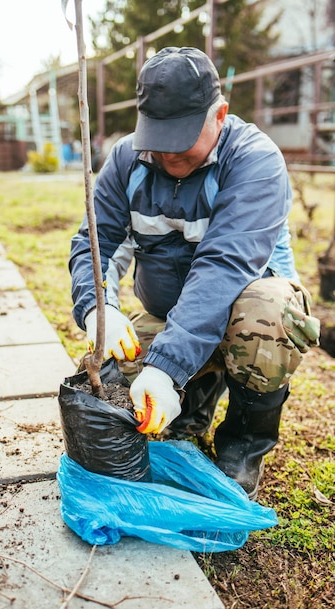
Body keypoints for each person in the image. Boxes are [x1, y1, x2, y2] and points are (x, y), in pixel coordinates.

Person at [69, 47, 320, 500]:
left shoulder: (254, 161)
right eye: (157, 137)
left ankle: (243, 445)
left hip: (246, 321)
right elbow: (95, 242)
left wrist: (165, 368)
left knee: (265, 313)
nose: (167, 154)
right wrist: (97, 308)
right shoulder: (127, 159)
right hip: (169, 317)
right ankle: (193, 406)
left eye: (181, 137)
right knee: (103, 380)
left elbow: (222, 268)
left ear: (220, 115)